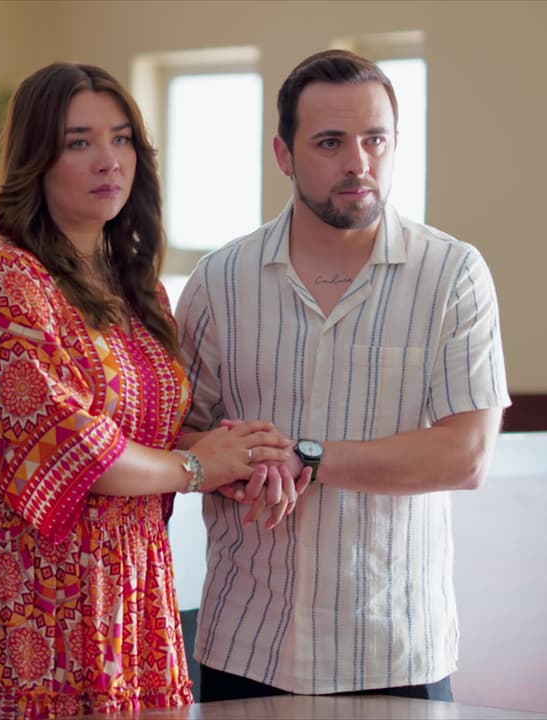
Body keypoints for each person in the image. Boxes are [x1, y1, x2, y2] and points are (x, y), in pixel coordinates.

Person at [0, 62, 302, 719]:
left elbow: (144, 435)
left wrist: (239, 454)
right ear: (36, 160)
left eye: (121, 139)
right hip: (29, 602)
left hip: (134, 593)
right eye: (79, 142)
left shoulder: (137, 290)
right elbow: (74, 449)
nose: (108, 160)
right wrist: (198, 468)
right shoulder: (3, 280)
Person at [176, 49, 510, 702]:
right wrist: (240, 459)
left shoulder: (453, 276)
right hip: (247, 642)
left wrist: (307, 456)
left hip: (396, 650)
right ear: (284, 154)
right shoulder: (219, 282)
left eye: (375, 139)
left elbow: (466, 456)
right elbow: (177, 438)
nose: (358, 162)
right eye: (330, 142)